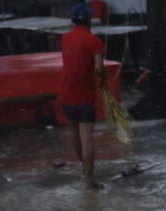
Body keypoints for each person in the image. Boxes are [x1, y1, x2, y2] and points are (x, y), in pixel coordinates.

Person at [58, 3, 106, 190]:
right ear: (89, 20)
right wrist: (103, 77)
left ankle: (84, 168)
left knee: (74, 132)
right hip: (84, 94)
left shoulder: (65, 39)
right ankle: (89, 181)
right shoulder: (95, 42)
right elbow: (98, 69)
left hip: (66, 92)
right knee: (87, 136)